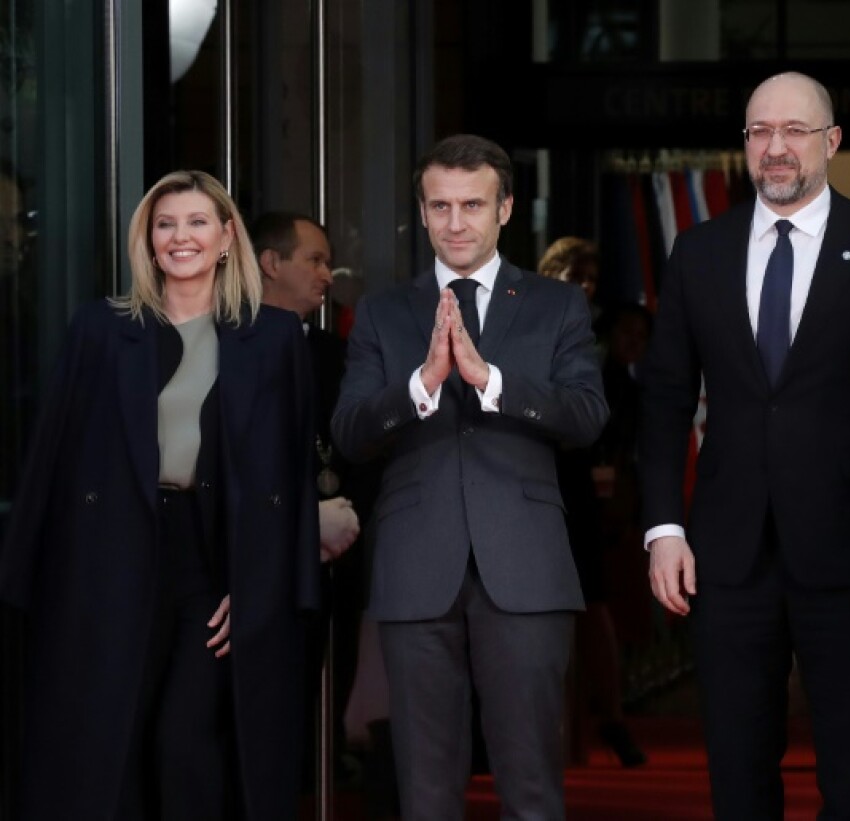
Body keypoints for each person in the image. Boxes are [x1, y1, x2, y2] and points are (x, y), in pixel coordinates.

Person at [640, 71, 850, 819]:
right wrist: (663, 527)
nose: (776, 147)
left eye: (794, 130)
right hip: (726, 555)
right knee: (737, 765)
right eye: (760, 132)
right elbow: (663, 399)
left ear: (832, 141)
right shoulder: (699, 251)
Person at [0, 170, 319, 819]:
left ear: (226, 237)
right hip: (114, 559)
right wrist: (23, 581)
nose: (180, 237)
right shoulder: (100, 328)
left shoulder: (274, 336)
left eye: (197, 222)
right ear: (147, 239)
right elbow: (54, 461)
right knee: (112, 749)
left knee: (186, 745)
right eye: (165, 224)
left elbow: (289, 478)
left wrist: (259, 587)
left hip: (210, 565)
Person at [331, 134, 608, 819]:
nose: (456, 222)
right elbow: (351, 433)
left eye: (473, 205)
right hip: (414, 566)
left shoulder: (555, 305)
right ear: (423, 212)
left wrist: (491, 381)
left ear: (505, 208)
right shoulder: (384, 312)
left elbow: (586, 418)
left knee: (531, 786)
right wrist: (421, 385)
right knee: (425, 792)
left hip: (527, 564)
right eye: (440, 206)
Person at [250, 211, 368, 784]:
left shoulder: (337, 354)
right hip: (255, 561)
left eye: (329, 262)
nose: (327, 274)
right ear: (271, 263)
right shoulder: (224, 344)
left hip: (332, 558)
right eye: (314, 260)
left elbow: (358, 449)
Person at [538, 236, 646, 767]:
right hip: (537, 481)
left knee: (590, 604)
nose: (583, 288)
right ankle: (562, 728)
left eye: (591, 281)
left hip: (577, 484)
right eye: (574, 276)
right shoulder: (531, 327)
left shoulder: (592, 341)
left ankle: (605, 719)